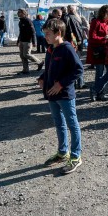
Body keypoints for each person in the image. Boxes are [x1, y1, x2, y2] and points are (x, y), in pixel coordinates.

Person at [38, 18, 84, 174]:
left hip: (64, 95)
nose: (45, 37)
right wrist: (42, 77)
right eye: (44, 34)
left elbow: (78, 70)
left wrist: (61, 84)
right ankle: (63, 152)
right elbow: (49, 68)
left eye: (48, 34)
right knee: (59, 124)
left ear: (58, 33)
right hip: (51, 95)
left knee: (72, 124)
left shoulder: (67, 49)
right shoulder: (51, 49)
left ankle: (76, 156)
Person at [87, 4, 108, 101]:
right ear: (104, 13)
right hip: (99, 50)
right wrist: (104, 39)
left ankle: (95, 89)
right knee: (99, 73)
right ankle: (100, 94)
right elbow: (92, 37)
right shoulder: (96, 22)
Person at [17, 8, 41, 75]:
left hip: (28, 41)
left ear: (24, 13)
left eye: (19, 12)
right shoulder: (20, 21)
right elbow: (20, 32)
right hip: (22, 40)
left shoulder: (28, 21)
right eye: (18, 12)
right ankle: (25, 70)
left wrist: (34, 41)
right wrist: (18, 40)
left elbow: (33, 31)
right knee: (22, 55)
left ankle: (39, 62)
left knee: (26, 54)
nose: (18, 13)